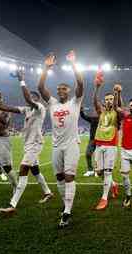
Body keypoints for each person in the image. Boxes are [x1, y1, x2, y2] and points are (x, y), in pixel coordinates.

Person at [0, 71, 53, 215]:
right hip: (28, 145)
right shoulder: (26, 109)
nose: (30, 98)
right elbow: (8, 108)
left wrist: (21, 81)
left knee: (23, 170)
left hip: (35, 144)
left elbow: (28, 99)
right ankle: (48, 192)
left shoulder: (40, 108)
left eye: (33, 97)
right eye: (30, 96)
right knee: (35, 170)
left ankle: (12, 204)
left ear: (37, 99)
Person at [38, 50, 84, 228]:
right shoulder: (52, 104)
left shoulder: (75, 102)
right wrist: (46, 68)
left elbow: (80, 82)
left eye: (63, 89)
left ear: (69, 91)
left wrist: (73, 63)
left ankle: (67, 212)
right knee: (59, 177)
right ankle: (66, 204)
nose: (60, 91)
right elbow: (41, 88)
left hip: (71, 145)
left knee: (69, 176)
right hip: (56, 146)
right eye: (58, 89)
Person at [93, 78, 121, 210]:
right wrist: (97, 88)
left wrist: (116, 94)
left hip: (111, 144)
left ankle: (104, 198)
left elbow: (117, 105)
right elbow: (95, 102)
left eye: (111, 99)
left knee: (108, 171)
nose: (109, 101)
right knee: (99, 172)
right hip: (99, 144)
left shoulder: (116, 112)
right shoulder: (101, 112)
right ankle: (114, 184)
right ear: (105, 101)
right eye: (107, 99)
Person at [80, 106, 99, 177]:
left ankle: (98, 170)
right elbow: (84, 116)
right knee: (88, 154)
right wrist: (81, 111)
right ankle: (90, 170)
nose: (95, 112)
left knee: (98, 157)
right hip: (92, 140)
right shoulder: (92, 119)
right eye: (95, 111)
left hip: (100, 140)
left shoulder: (103, 118)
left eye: (96, 111)